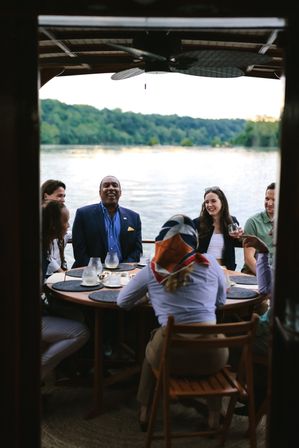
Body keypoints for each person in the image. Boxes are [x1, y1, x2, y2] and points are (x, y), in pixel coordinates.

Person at [117, 214, 228, 430]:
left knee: (153, 344)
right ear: (193, 242)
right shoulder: (211, 263)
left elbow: (123, 302)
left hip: (169, 357)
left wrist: (149, 295)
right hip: (213, 356)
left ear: (162, 240)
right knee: (208, 344)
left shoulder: (152, 268)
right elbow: (220, 302)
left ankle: (145, 412)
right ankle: (216, 413)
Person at [41, 200, 89, 381]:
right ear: (53, 225)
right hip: (29, 319)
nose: (68, 225)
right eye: (65, 221)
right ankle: (38, 370)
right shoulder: (39, 253)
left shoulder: (40, 246)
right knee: (81, 331)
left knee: (77, 315)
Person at [72, 175, 142, 267]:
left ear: (120, 192)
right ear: (100, 192)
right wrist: (96, 269)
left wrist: (124, 268)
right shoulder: (83, 214)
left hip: (124, 271)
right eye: (106, 185)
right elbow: (79, 251)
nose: (111, 188)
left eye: (114, 185)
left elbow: (137, 250)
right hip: (92, 271)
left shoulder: (134, 217)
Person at [193, 186, 242, 271]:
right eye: (206, 202)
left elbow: (239, 243)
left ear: (222, 202)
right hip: (203, 270)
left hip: (226, 270)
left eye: (213, 201)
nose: (209, 205)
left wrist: (240, 236)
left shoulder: (232, 221)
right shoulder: (197, 223)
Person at [242, 182, 275, 274]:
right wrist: (266, 277)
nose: (269, 203)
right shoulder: (252, 222)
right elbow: (249, 259)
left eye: (274, 200)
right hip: (254, 274)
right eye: (267, 199)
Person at [41, 179, 72, 276]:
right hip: (48, 275)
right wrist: (61, 273)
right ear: (46, 196)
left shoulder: (60, 215)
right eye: (59, 196)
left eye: (64, 196)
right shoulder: (44, 221)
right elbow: (47, 256)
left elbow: (67, 234)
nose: (63, 199)